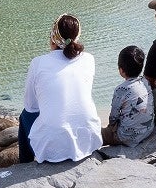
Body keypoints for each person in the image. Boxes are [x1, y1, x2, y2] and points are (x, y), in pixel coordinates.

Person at [19, 13, 102, 163]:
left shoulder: (38, 63)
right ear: (77, 37)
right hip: (89, 140)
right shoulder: (89, 59)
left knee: (25, 115)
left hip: (52, 150)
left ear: (53, 37)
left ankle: (24, 166)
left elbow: (30, 106)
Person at [101, 45, 155, 146]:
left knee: (100, 134)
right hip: (148, 130)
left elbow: (113, 117)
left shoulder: (120, 90)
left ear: (121, 70)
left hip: (127, 137)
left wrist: (111, 128)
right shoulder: (145, 81)